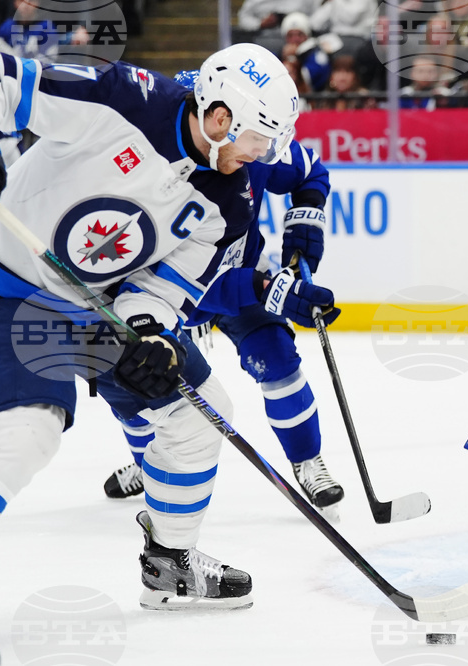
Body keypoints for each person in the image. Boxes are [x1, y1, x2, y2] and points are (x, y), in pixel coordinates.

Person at [0, 43, 339, 659]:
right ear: (221, 116)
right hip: (11, 287)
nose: (262, 155)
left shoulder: (229, 205)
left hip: (97, 308)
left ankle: (170, 565)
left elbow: (161, 289)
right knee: (28, 430)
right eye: (258, 139)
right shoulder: (123, 97)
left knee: (201, 413)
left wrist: (149, 335)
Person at [104, 69, 345, 520]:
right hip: (163, 293)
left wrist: (306, 217)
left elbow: (308, 170)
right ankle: (151, 462)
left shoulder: (247, 145)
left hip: (241, 278)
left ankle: (307, 460)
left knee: (278, 359)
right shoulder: (150, 174)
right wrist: (272, 291)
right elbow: (170, 282)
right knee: (138, 379)